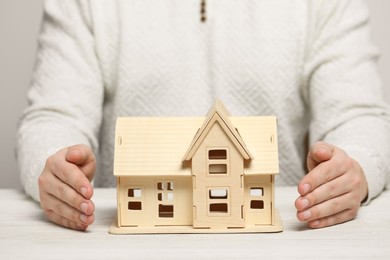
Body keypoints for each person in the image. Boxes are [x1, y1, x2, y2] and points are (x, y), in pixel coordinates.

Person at [17, 0, 390, 231]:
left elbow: (360, 113)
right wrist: (51, 168)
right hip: (128, 244)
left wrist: (356, 165)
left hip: (278, 241)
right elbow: (53, 115)